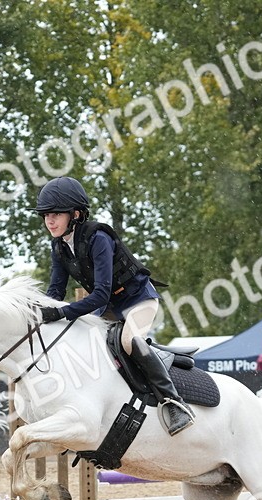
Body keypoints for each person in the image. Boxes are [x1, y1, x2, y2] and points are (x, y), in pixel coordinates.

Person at [35, 176, 194, 435]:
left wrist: (61, 312)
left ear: (75, 214)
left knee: (130, 341)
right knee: (85, 343)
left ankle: (173, 402)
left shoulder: (98, 238)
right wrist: (39, 312)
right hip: (109, 304)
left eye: (55, 214)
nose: (49, 221)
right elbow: (55, 290)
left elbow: (98, 295)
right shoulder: (59, 246)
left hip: (137, 299)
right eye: (45, 215)